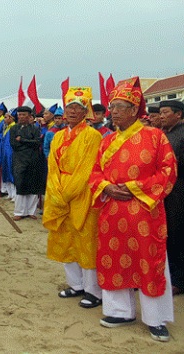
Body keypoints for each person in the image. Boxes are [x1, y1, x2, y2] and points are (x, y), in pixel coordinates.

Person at [88, 77, 176, 342]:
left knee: (150, 262)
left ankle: (155, 318)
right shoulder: (106, 141)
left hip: (145, 212)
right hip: (113, 210)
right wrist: (105, 186)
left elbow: (168, 172)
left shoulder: (155, 137)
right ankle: (119, 311)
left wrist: (137, 188)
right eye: (112, 106)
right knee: (113, 258)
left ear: (133, 109)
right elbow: (94, 173)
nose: (112, 111)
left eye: (118, 107)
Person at [43, 87, 103, 309]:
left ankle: (93, 290)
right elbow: (52, 166)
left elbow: (86, 170)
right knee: (65, 240)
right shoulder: (58, 136)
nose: (73, 112)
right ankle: (75, 284)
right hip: (60, 192)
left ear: (86, 111)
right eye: (69, 107)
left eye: (78, 108)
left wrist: (66, 194)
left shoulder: (92, 136)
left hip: (82, 195)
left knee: (85, 242)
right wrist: (56, 191)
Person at [158, 99, 184, 296]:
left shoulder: (181, 135)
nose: (161, 116)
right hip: (166, 193)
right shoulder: (165, 135)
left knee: (177, 235)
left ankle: (179, 280)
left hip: (179, 192)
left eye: (165, 112)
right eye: (160, 112)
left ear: (178, 115)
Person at [9, 106, 46, 220]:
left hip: (33, 159)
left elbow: (37, 143)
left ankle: (31, 211)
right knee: (20, 184)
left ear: (30, 116)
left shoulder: (35, 129)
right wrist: (28, 144)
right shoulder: (14, 129)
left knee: (32, 185)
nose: (21, 117)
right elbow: (14, 144)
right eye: (19, 115)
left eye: (23, 115)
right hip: (19, 159)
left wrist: (23, 140)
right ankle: (19, 212)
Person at [0, 109, 16, 201]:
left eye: (6, 117)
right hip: (5, 152)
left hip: (11, 153)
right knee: (6, 171)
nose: (4, 119)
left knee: (11, 172)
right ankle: (10, 193)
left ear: (11, 118)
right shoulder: (7, 127)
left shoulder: (14, 127)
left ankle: (14, 194)